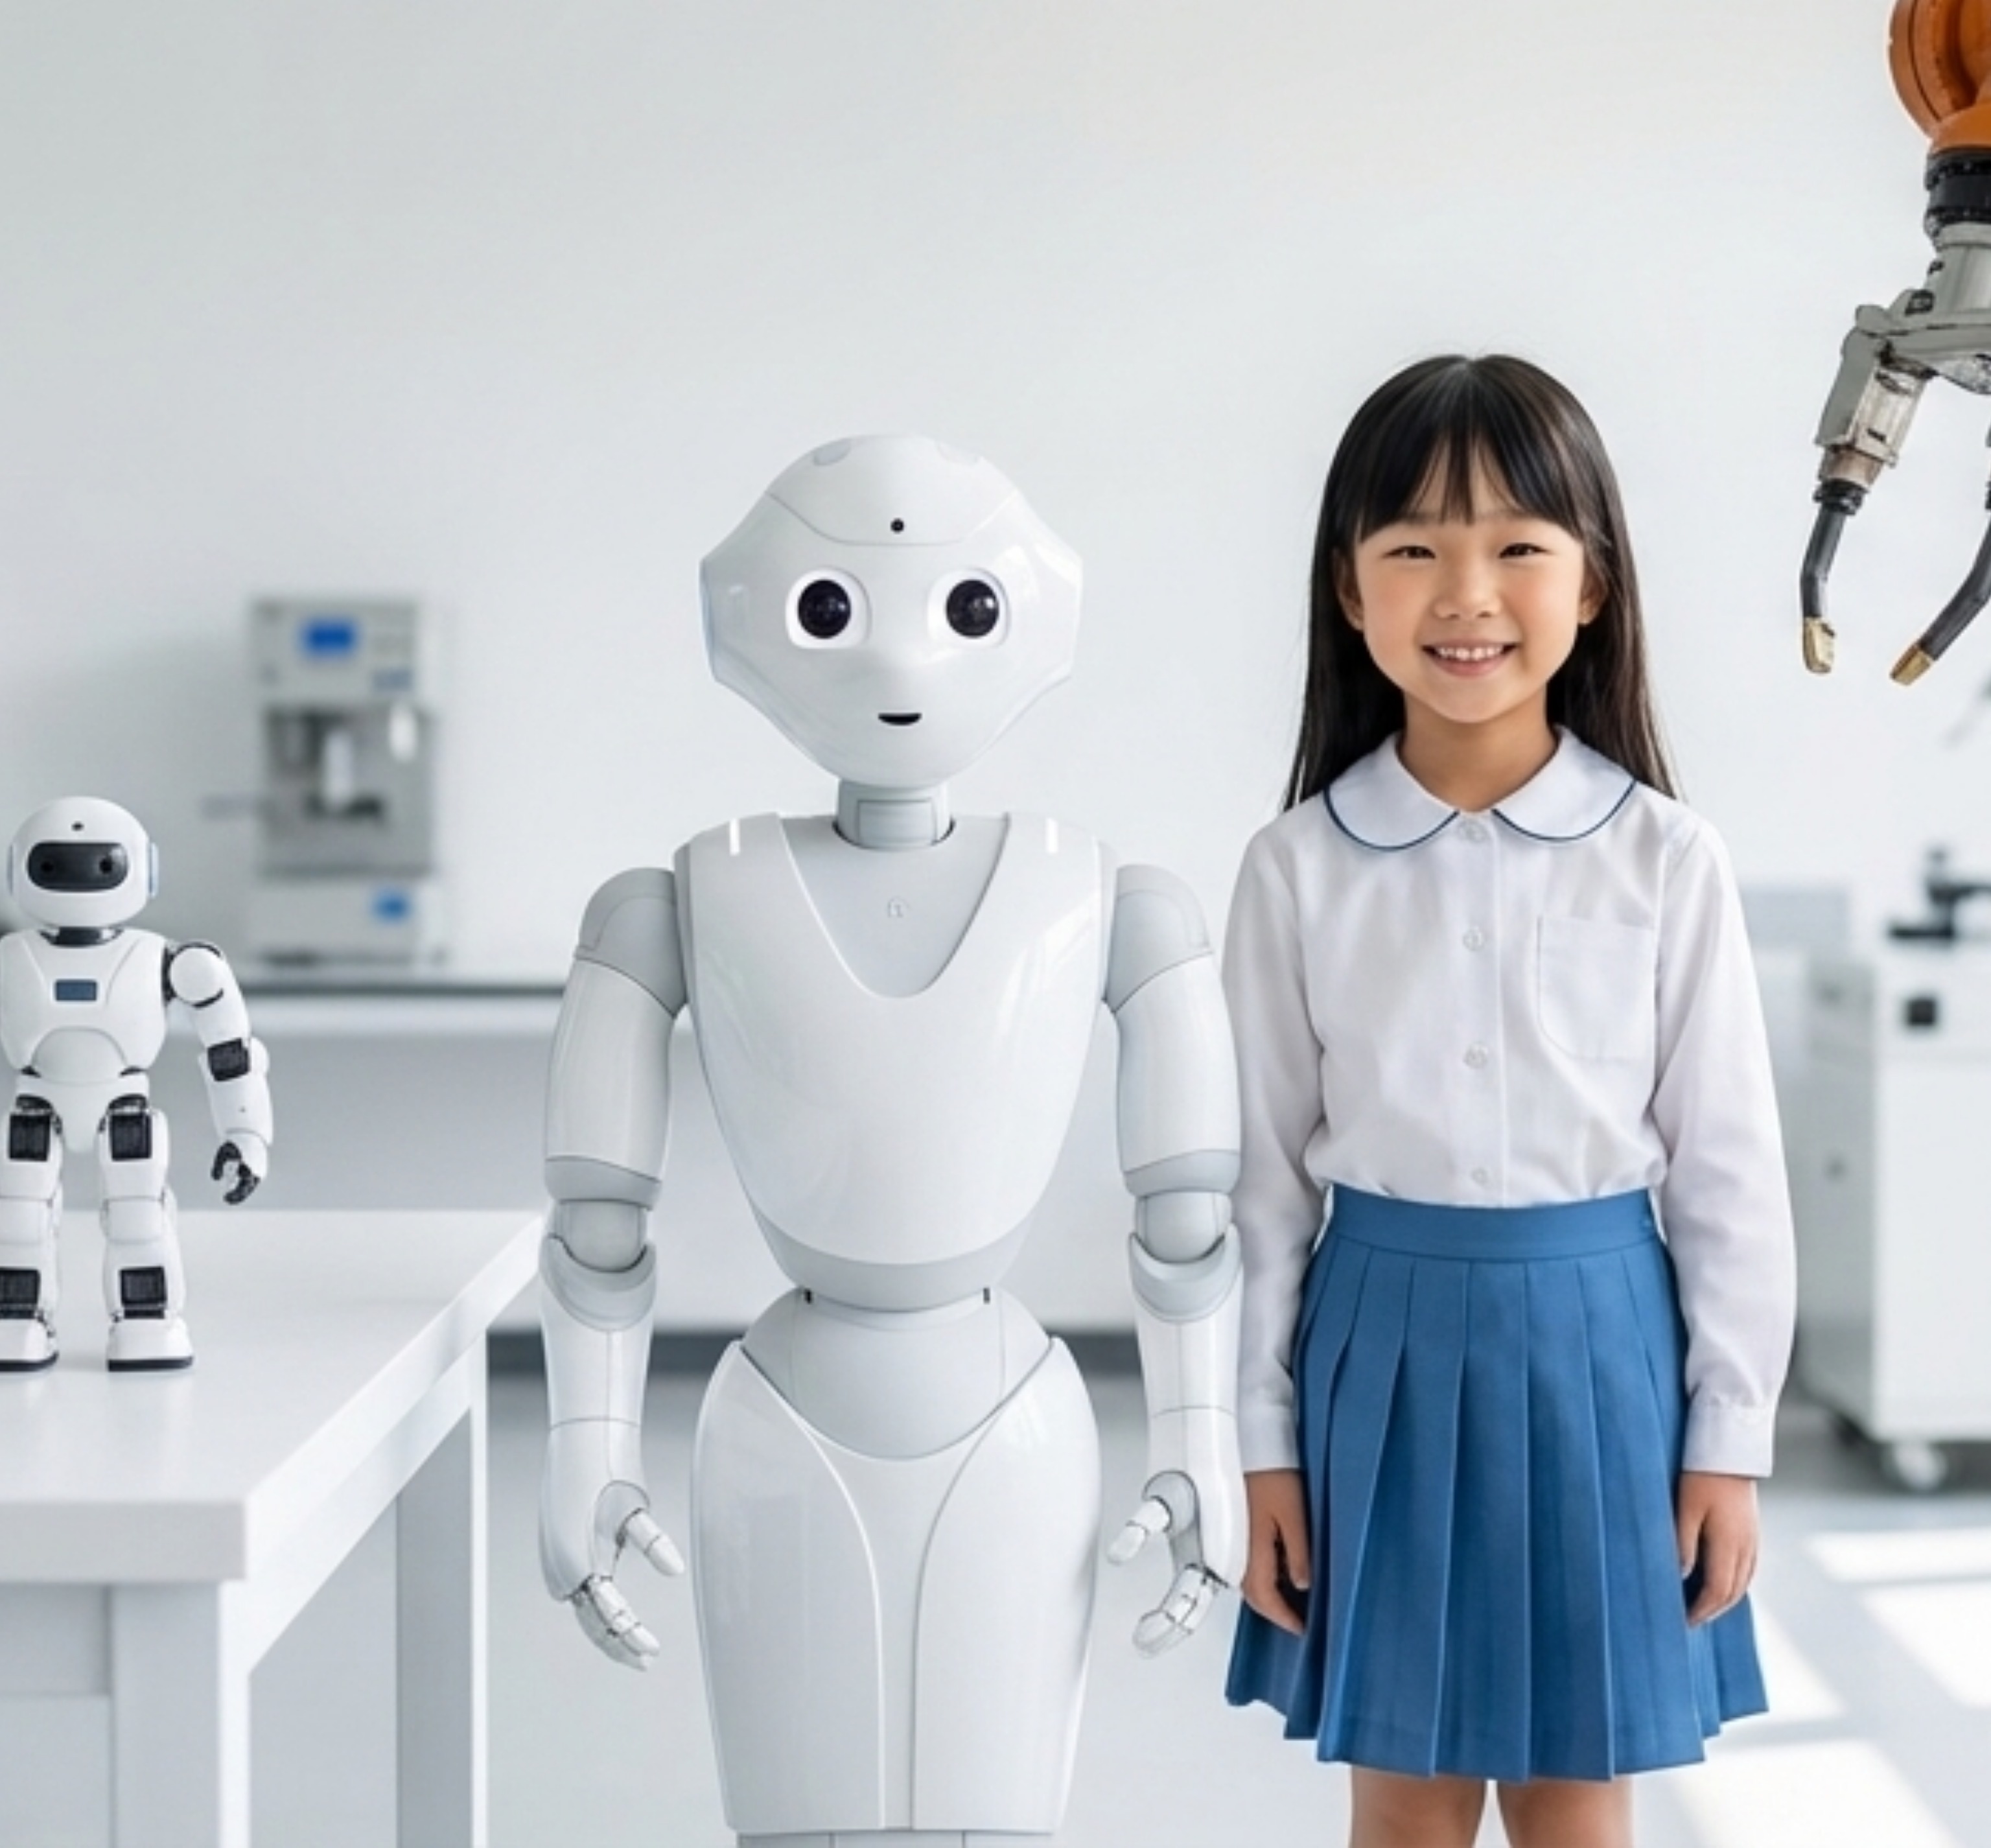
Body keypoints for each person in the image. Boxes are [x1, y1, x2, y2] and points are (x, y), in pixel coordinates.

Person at [1222, 354, 1796, 1848]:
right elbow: (1258, 1193)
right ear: (1348, 588)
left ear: (1592, 583)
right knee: (1405, 1805)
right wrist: (1259, 1444)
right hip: (1380, 1356)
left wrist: (1728, 1438)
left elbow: (1729, 1175)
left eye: (1518, 546)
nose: (1466, 593)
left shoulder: (1667, 858)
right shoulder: (1295, 869)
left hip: (1605, 1357)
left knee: (1578, 1798)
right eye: (1414, 547)